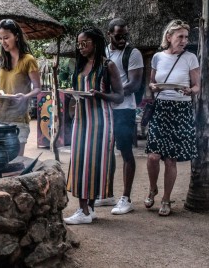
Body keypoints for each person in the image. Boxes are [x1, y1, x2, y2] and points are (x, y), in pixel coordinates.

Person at [64, 27, 124, 225]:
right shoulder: (80, 66)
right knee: (80, 161)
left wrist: (100, 94)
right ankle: (86, 209)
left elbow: (119, 96)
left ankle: (85, 210)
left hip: (100, 121)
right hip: (81, 120)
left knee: (94, 163)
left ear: (96, 43)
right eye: (78, 44)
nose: (81, 48)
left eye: (85, 43)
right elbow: (77, 91)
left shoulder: (108, 66)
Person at [145, 19, 199, 216]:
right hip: (161, 109)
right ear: (169, 37)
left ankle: (166, 199)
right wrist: (153, 87)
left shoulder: (190, 58)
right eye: (180, 36)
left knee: (170, 160)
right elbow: (152, 83)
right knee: (152, 156)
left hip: (180, 109)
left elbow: (196, 87)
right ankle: (152, 188)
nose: (184, 40)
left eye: (186, 37)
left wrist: (188, 90)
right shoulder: (158, 57)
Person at [94, 18, 144, 214]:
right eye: (118, 36)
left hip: (124, 109)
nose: (122, 39)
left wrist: (112, 94)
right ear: (109, 35)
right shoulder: (103, 52)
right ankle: (107, 195)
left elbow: (135, 84)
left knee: (125, 151)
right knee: (106, 150)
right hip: (106, 108)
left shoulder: (134, 54)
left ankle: (126, 198)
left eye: (125, 36)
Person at [0, 19, 41, 156]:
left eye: (6, 38)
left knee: (16, 162)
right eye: (0, 38)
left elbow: (37, 88)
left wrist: (25, 97)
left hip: (18, 118)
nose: (3, 42)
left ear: (16, 37)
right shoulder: (0, 59)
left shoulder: (28, 60)